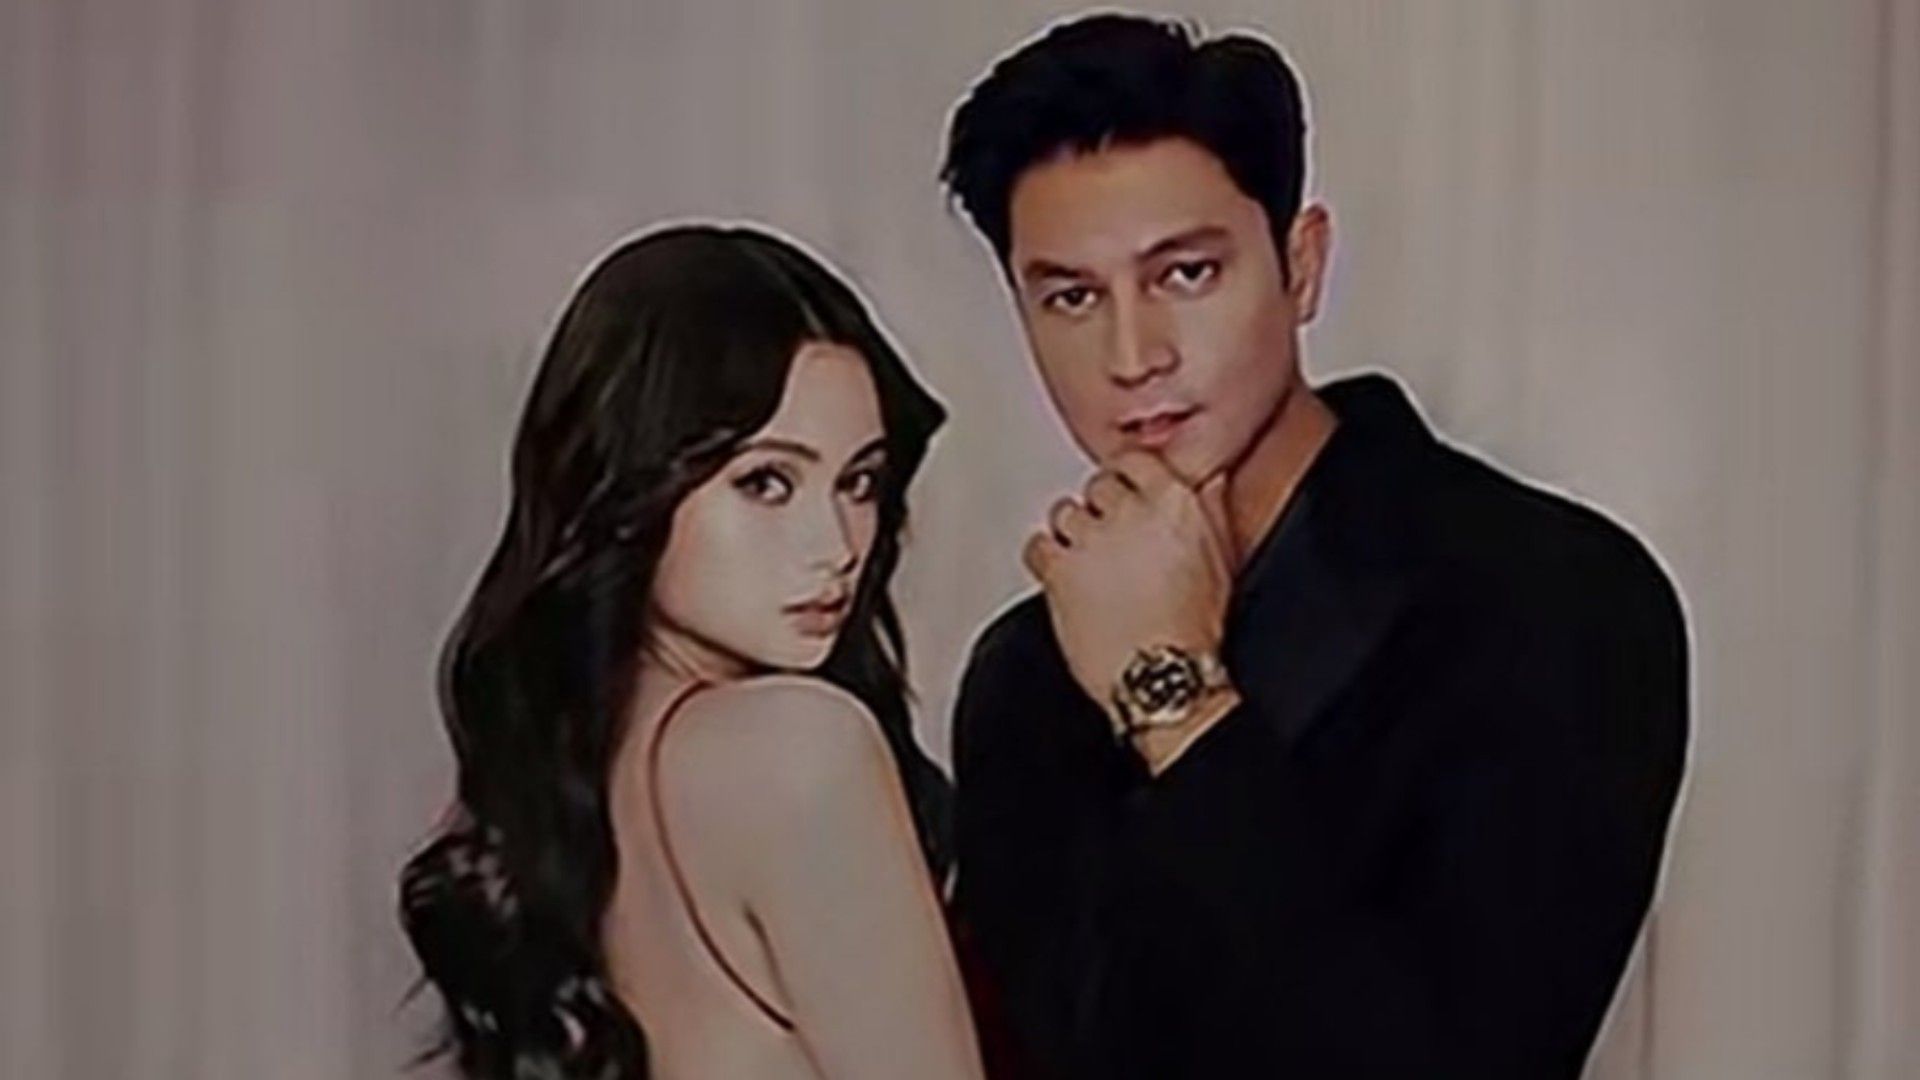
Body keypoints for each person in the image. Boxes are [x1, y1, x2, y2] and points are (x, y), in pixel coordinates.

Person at [940, 14, 1689, 1078]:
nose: (1133, 355)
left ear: (1301, 266)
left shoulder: (1552, 596)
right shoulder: (1026, 673)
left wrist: (1174, 696)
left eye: (1185, 275)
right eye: (1071, 297)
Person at [398, 225, 986, 1080]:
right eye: (766, 483)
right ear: (632, 485)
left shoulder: (574, 777)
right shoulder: (798, 749)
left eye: (859, 482)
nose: (837, 547)